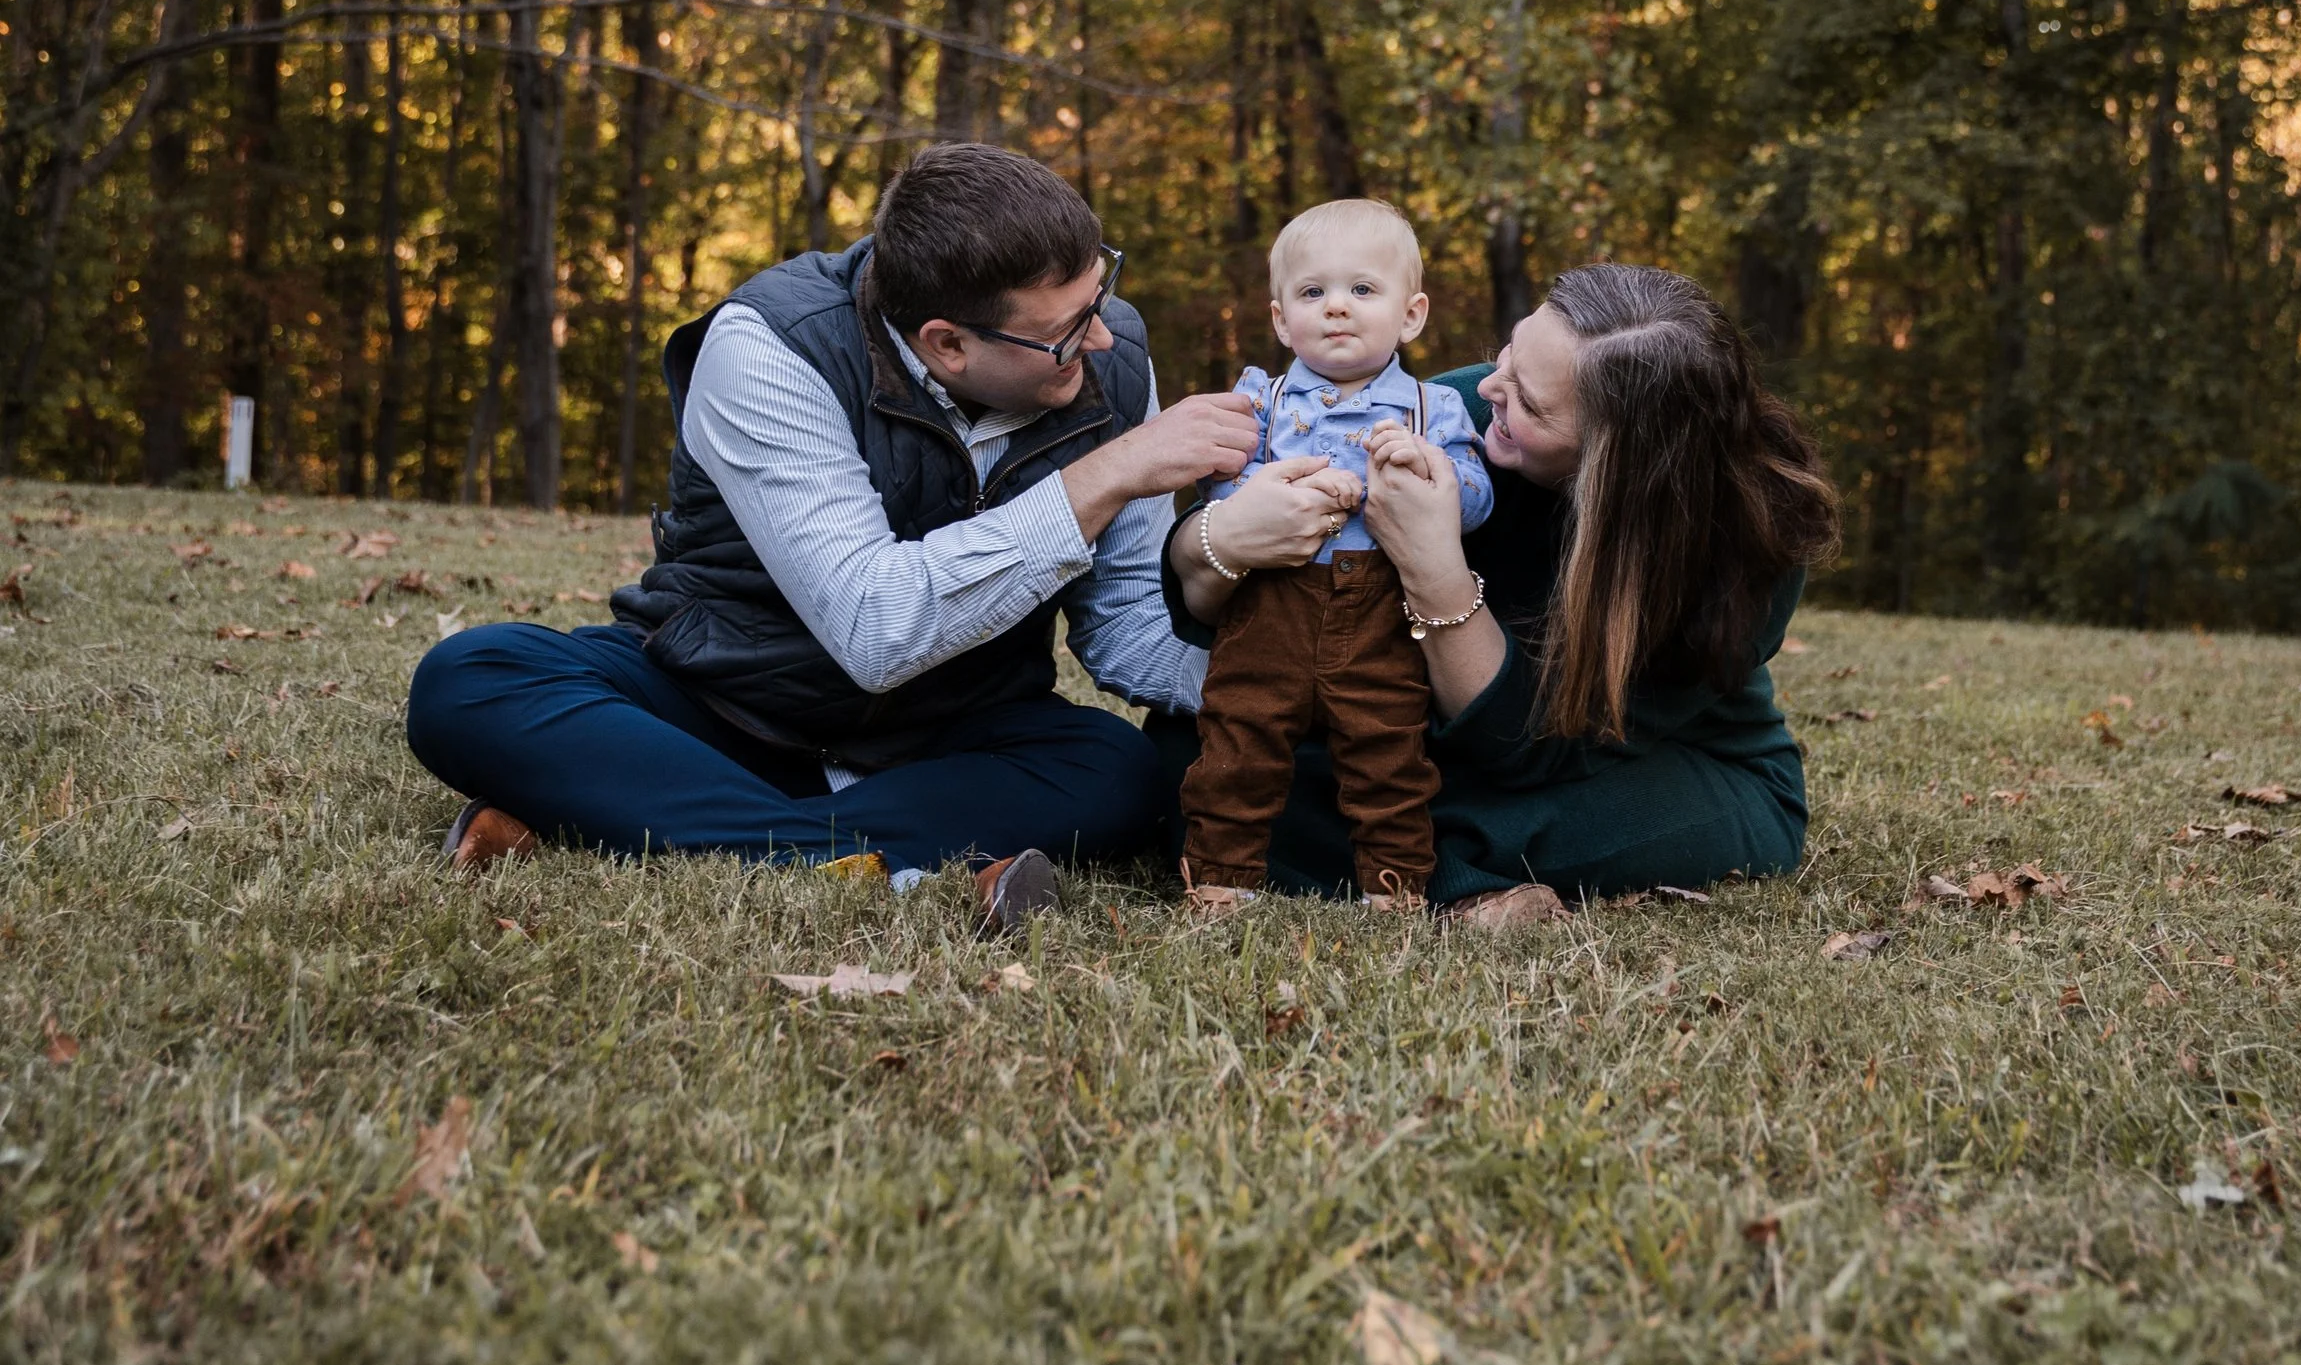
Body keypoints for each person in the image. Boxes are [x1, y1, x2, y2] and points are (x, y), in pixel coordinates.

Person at [405, 143, 1352, 926]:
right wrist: (1104, 475)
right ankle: (858, 848)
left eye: (1100, 299)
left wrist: (1296, 687)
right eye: (1067, 333)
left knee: (1122, 772)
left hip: (957, 727)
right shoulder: (771, 347)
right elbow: (873, 628)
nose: (1101, 341)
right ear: (947, 342)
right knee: (471, 679)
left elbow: (1127, 628)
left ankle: (636, 815)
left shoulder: (1113, 355)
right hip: (726, 703)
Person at [1167, 262, 1838, 923]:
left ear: (1616, 462)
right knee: (1191, 758)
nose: (1490, 385)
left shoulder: (1750, 541)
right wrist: (1225, 535)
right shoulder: (1453, 414)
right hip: (1408, 734)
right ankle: (1411, 859)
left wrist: (1434, 569)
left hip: (1637, 762)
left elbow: (1529, 748)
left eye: (1532, 404)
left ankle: (1429, 873)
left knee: (1506, 814)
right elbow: (1224, 601)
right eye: (1508, 356)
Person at [1179, 198, 1493, 912]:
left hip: (1379, 610)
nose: (1337, 307)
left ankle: (1394, 887)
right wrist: (1265, 490)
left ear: (1410, 315)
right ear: (1281, 319)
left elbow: (1477, 501)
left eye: (1362, 288)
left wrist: (1427, 470)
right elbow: (1216, 484)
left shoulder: (1431, 410)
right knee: (1238, 736)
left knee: (1387, 747)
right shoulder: (1262, 400)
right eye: (1313, 291)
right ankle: (1220, 879)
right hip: (1272, 606)